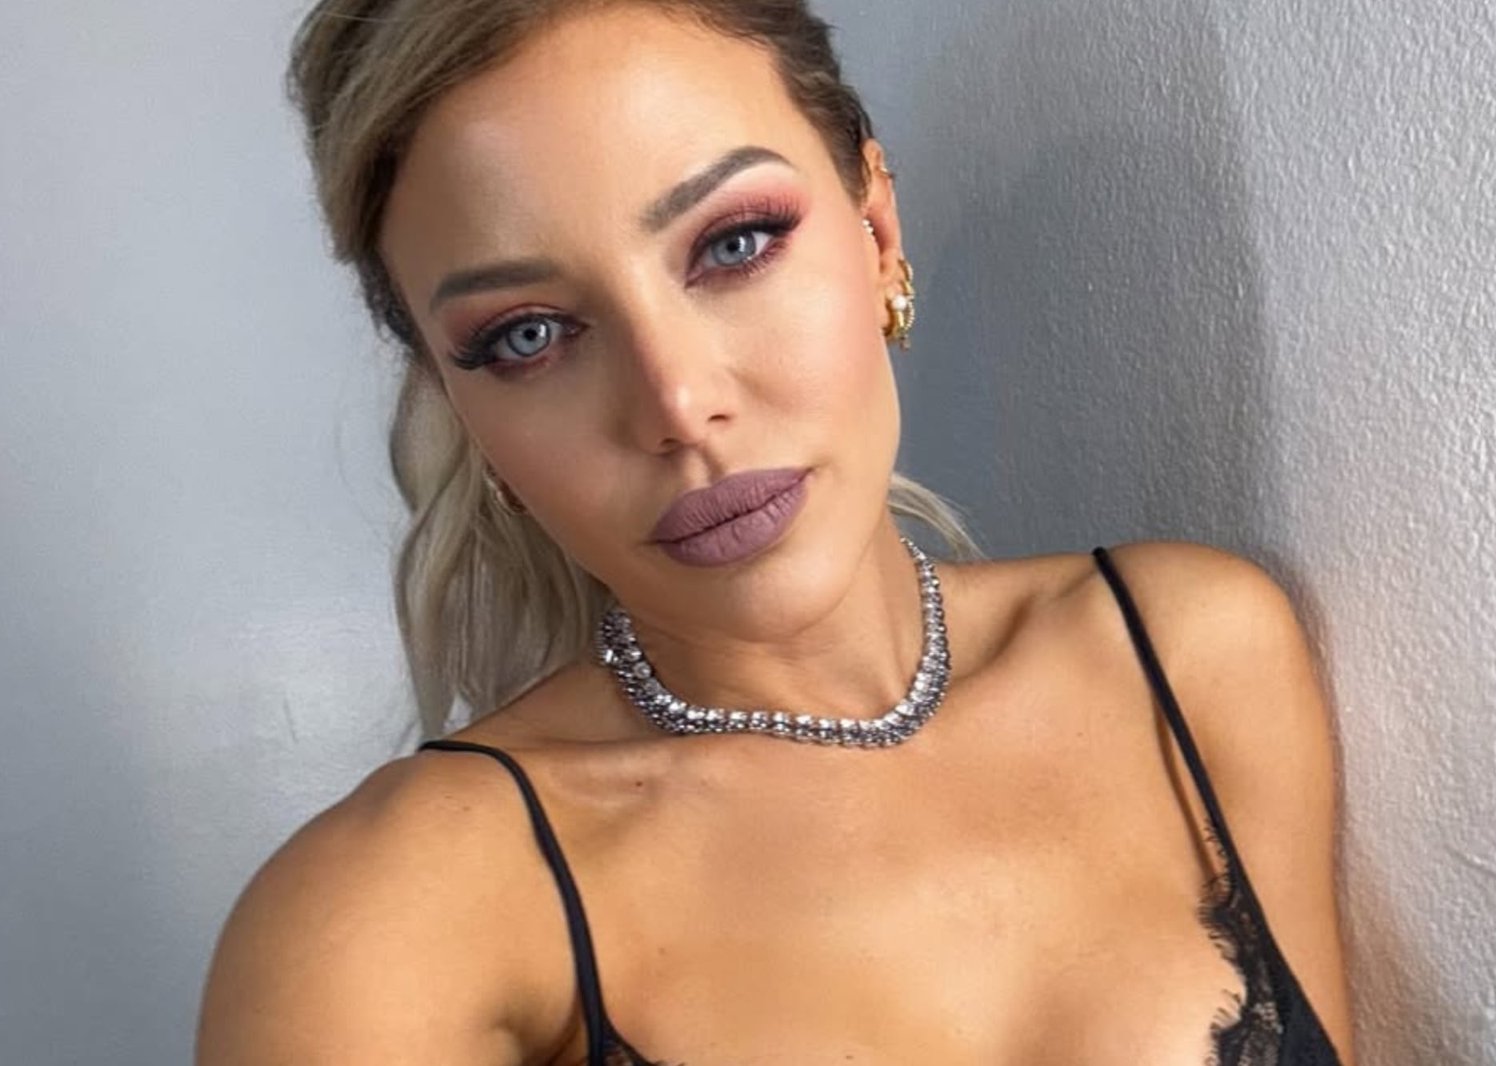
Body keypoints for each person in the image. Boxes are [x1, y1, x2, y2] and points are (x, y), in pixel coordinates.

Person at [195, 1, 1355, 1063]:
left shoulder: (1188, 653)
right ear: (463, 413)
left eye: (733, 243)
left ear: (878, 232)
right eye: (529, 335)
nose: (675, 403)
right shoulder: (388, 916)